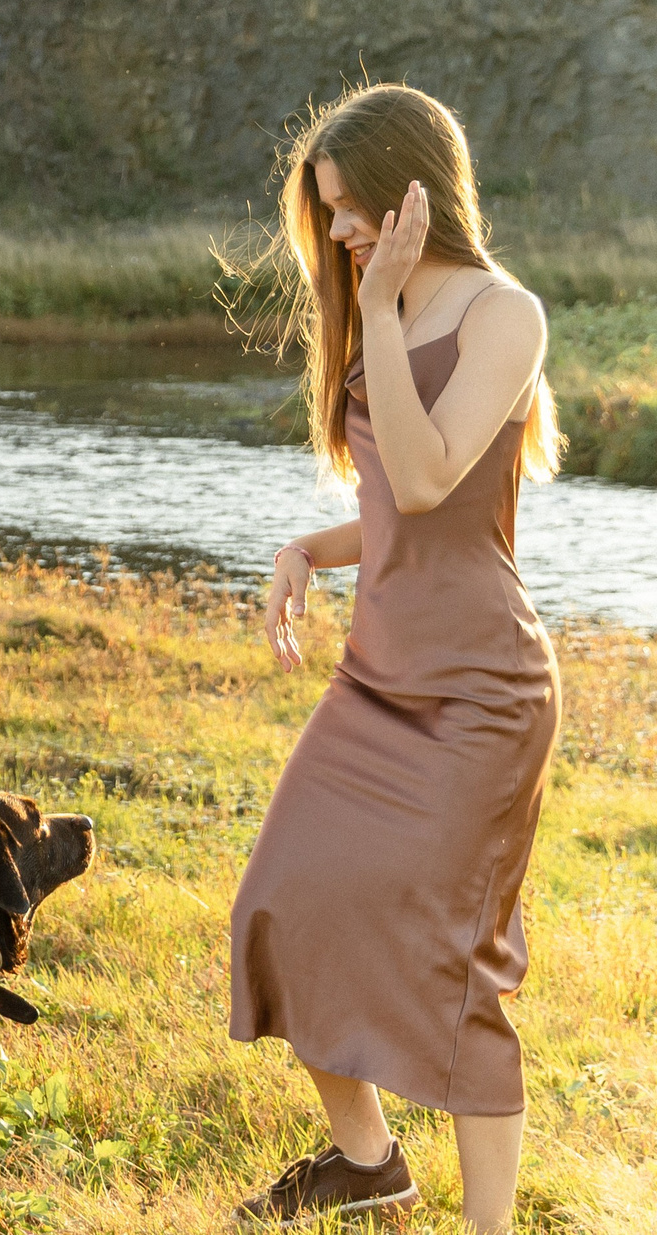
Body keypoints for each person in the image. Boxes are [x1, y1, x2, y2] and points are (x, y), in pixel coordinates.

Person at [228, 85, 560, 1233]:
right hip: (377, 677)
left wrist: (374, 308)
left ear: (418, 182)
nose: (337, 231)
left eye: (351, 206)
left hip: (479, 689)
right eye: (323, 212)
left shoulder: (502, 315)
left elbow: (428, 486)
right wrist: (305, 547)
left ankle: (489, 1226)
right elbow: (390, 511)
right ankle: (368, 1164)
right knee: (282, 902)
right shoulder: (371, 299)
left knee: (458, 969)